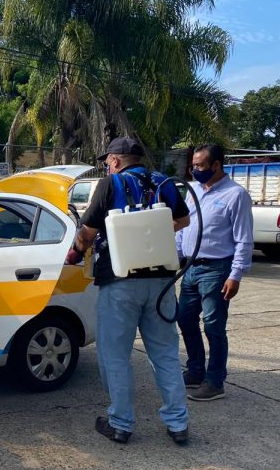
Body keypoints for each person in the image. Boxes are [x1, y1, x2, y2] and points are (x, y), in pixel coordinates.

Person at [67, 136, 191, 445]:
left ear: (116, 161)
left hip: (120, 283)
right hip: (161, 282)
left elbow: (87, 231)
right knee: (165, 354)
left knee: (115, 354)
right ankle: (178, 423)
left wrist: (75, 251)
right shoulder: (164, 182)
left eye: (107, 162)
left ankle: (120, 423)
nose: (107, 166)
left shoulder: (111, 185)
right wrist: (153, 228)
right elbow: (184, 219)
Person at [176, 144, 254, 401]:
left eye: (200, 166)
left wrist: (236, 274)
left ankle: (215, 380)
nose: (195, 170)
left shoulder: (236, 195)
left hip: (217, 269)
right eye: (194, 165)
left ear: (216, 165)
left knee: (213, 326)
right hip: (190, 267)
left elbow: (243, 239)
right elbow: (184, 227)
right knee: (185, 319)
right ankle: (196, 370)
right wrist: (175, 256)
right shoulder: (194, 190)